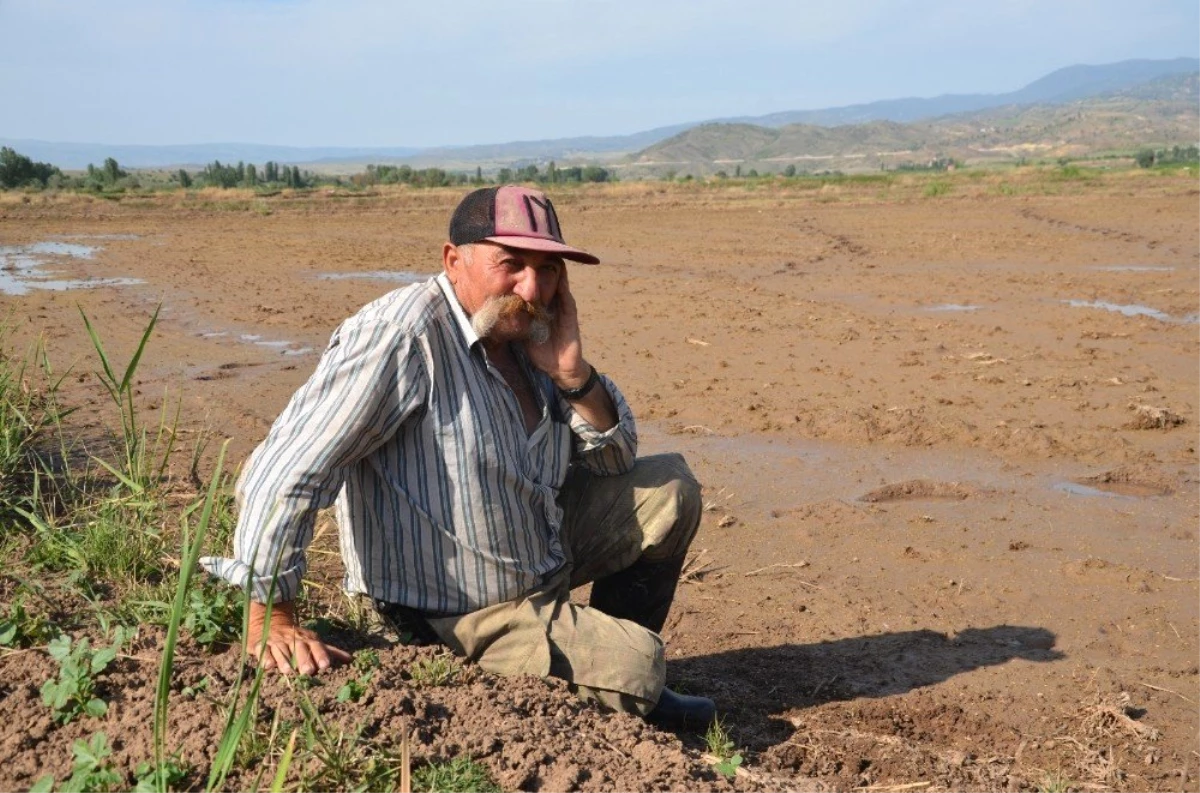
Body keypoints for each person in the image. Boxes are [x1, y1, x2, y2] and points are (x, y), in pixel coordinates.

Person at [201, 185, 715, 724]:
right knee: (640, 668)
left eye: (549, 269)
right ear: (454, 260)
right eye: (511, 263)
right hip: (451, 613)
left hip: (537, 561)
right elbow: (286, 469)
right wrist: (268, 615)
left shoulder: (526, 339)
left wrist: (571, 375)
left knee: (671, 489)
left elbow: (613, 462)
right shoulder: (402, 336)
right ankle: (620, 680)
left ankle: (603, 660)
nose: (532, 287)